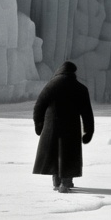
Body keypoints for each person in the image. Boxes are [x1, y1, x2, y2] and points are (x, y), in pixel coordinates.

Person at [32, 61, 94, 192]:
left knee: (54, 153)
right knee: (68, 154)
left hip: (51, 127)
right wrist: (88, 132)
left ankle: (56, 182)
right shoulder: (80, 88)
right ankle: (66, 183)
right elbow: (87, 113)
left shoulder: (50, 86)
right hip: (71, 128)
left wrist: (39, 125)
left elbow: (38, 107)